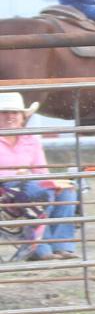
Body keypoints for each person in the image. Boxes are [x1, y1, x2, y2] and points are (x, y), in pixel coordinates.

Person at [0, 94, 81, 262]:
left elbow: (41, 171)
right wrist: (16, 176)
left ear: (23, 117)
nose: (10, 116)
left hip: (29, 185)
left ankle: (61, 246)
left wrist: (46, 181)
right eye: (5, 112)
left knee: (66, 192)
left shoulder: (31, 140)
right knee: (40, 193)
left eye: (15, 113)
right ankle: (39, 249)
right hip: (4, 189)